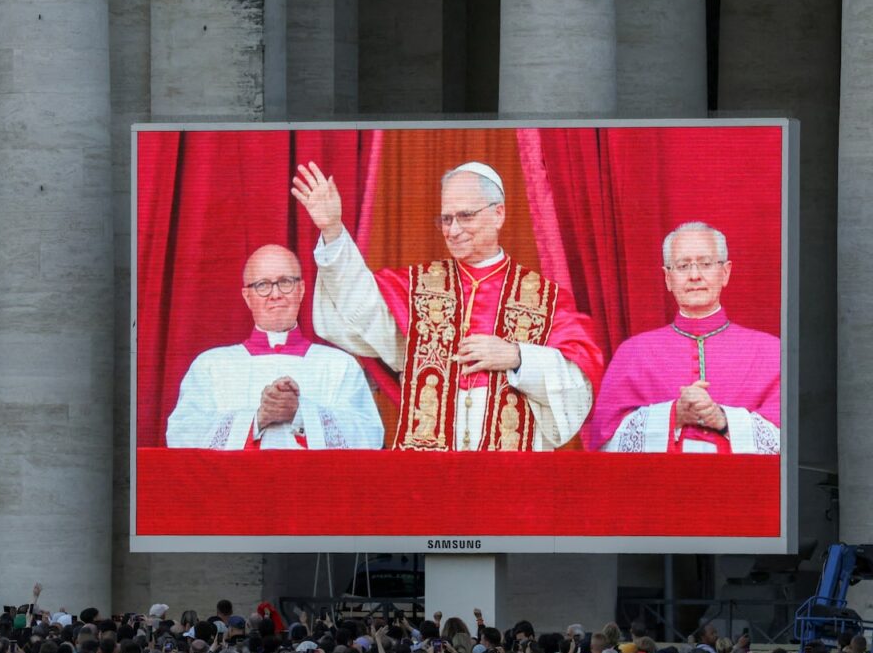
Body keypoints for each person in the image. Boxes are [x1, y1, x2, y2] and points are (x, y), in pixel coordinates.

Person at [296, 161, 604, 450]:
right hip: (430, 471)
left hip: (510, 474)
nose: (453, 230)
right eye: (446, 218)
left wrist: (517, 356)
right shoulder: (417, 288)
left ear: (498, 214)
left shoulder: (545, 299)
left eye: (465, 216)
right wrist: (333, 230)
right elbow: (357, 306)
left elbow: (579, 385)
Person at [165, 245, 384, 450]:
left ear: (301, 290)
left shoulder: (339, 365)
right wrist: (257, 418)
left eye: (285, 282)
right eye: (262, 285)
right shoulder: (211, 365)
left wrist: (301, 413)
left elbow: (370, 436)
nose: (275, 294)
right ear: (247, 297)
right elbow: (180, 435)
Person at [591, 222, 781, 453]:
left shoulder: (771, 352)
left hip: (742, 485)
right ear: (668, 278)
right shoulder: (633, 353)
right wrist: (673, 415)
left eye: (705, 264)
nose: (694, 276)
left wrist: (722, 419)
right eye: (682, 266)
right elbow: (604, 443)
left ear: (725, 272)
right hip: (659, 485)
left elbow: (793, 442)